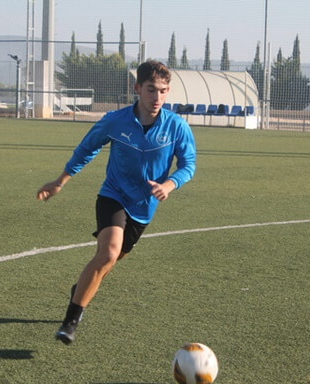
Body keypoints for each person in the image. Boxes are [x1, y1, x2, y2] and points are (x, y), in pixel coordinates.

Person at [36, 60, 196, 345]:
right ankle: (70, 322)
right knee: (108, 253)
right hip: (113, 195)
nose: (156, 97)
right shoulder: (115, 120)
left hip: (144, 208)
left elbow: (188, 164)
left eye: (162, 91)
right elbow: (86, 149)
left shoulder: (176, 127)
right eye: (150, 90)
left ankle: (81, 287)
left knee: (110, 261)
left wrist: (169, 185)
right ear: (137, 89)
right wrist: (60, 181)